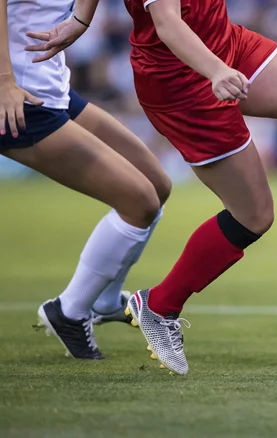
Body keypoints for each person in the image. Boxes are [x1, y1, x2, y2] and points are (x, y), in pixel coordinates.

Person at [28, 0, 277, 375]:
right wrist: (216, 71)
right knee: (254, 215)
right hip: (182, 80)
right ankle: (159, 306)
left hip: (223, 41)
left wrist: (81, 18)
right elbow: (168, 22)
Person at [2, 0, 171, 359]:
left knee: (156, 184)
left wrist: (81, 18)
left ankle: (106, 301)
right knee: (140, 201)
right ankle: (69, 311)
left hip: (53, 92)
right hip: (17, 102)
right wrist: (3, 81)